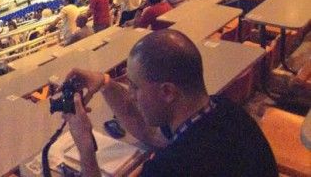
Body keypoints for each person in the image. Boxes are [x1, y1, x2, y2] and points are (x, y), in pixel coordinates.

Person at [61, 30, 275, 177]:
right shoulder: (225, 110)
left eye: (135, 87)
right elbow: (151, 133)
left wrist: (86, 148)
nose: (132, 96)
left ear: (167, 92)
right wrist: (105, 83)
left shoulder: (170, 167)